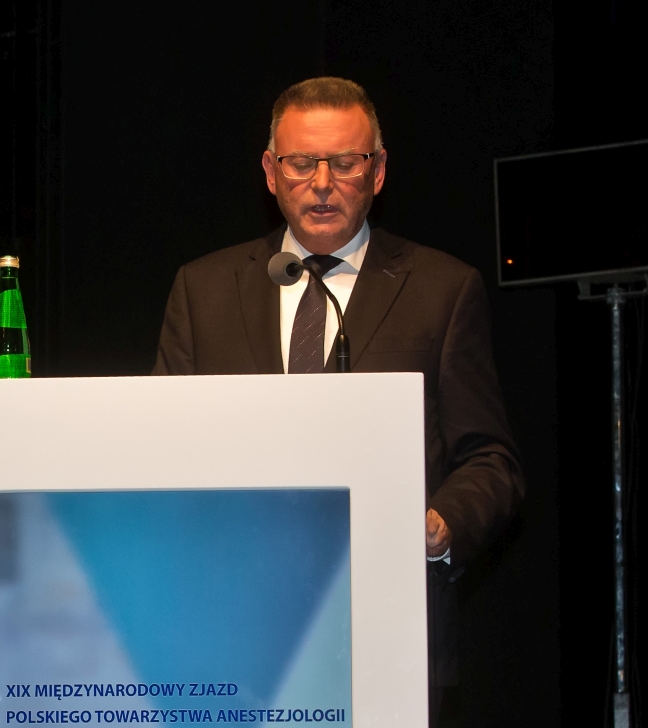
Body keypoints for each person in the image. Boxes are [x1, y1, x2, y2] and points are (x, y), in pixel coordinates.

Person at [151, 76, 522, 689]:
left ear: (377, 172)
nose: (322, 183)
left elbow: (491, 460)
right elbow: (159, 449)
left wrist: (441, 524)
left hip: (385, 628)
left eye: (345, 162)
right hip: (228, 625)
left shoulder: (442, 290)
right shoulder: (204, 290)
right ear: (271, 173)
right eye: (302, 163)